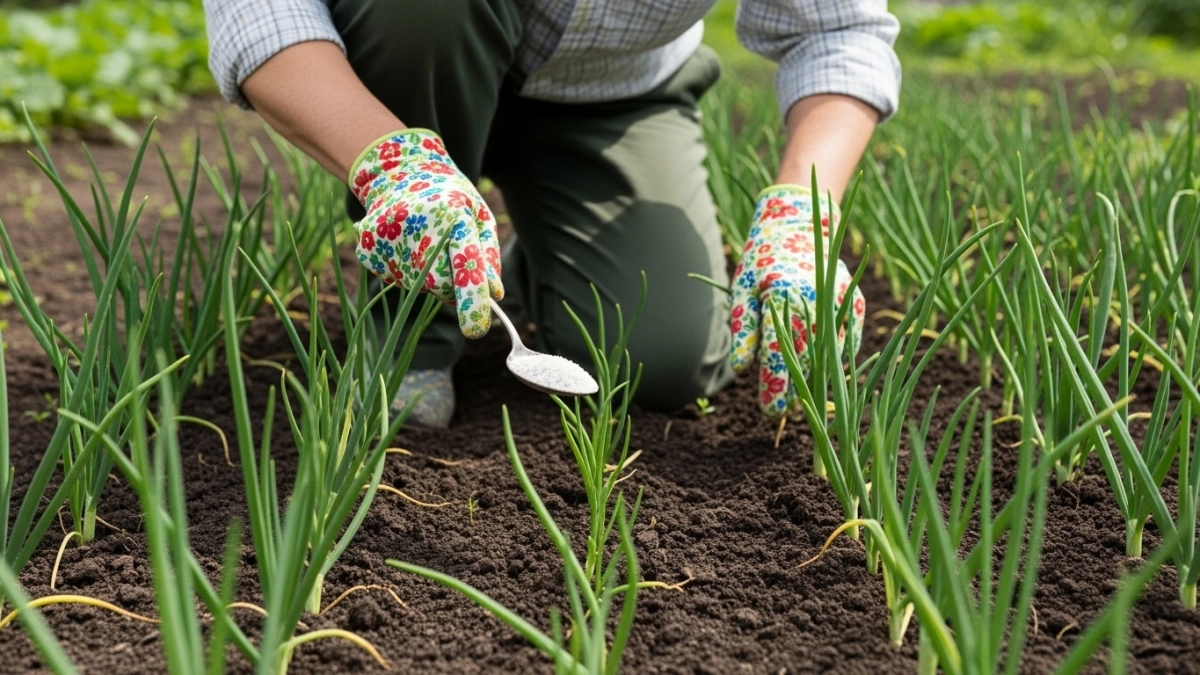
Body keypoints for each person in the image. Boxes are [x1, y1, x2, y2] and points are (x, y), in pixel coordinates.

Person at [203, 0, 898, 427]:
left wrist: (800, 221)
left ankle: (524, 262)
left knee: (659, 364)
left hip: (607, 97)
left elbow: (836, 31)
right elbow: (264, 7)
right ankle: (409, 341)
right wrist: (389, 165)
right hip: (413, 67)